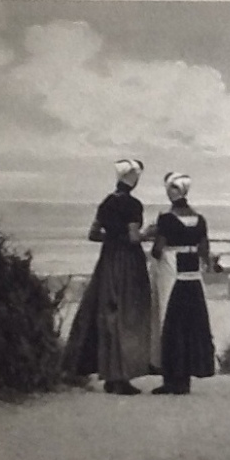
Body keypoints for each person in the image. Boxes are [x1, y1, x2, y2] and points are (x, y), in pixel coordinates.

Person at [63, 158, 152, 395]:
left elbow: (93, 234)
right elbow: (134, 237)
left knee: (108, 313)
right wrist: (149, 234)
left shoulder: (106, 203)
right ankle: (120, 377)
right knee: (126, 315)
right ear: (131, 178)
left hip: (108, 259)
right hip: (128, 262)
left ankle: (110, 375)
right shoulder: (133, 205)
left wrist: (112, 237)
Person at [148, 172, 216, 395]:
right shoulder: (200, 219)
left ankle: (171, 379)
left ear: (176, 191)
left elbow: (158, 249)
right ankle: (185, 379)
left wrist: (150, 237)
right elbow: (205, 250)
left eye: (171, 188)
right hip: (193, 275)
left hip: (172, 272)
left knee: (169, 324)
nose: (169, 191)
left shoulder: (167, 219)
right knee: (191, 325)